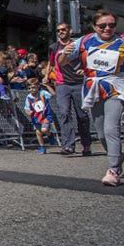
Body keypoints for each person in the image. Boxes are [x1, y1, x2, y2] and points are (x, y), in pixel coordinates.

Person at [59, 9, 124, 186]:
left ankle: (113, 170)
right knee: (101, 133)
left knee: (111, 127)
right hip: (94, 89)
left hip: (117, 87)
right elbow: (62, 62)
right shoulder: (84, 41)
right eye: (102, 25)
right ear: (94, 26)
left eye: (111, 25)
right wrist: (64, 53)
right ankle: (117, 156)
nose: (107, 28)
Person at [49, 22, 92, 157]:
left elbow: (88, 60)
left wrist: (85, 70)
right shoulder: (54, 47)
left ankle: (86, 144)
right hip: (62, 84)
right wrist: (47, 76)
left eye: (63, 29)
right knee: (64, 113)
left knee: (82, 115)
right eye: (58, 30)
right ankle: (68, 145)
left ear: (70, 31)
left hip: (79, 83)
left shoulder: (79, 45)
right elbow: (51, 63)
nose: (60, 32)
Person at [23, 77, 55, 154]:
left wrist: (47, 86)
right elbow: (26, 108)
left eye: (33, 87)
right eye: (29, 88)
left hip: (46, 116)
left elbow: (53, 94)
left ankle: (50, 135)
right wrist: (28, 112)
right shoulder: (28, 97)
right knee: (38, 132)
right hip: (36, 117)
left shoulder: (42, 93)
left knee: (44, 130)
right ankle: (42, 147)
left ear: (38, 86)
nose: (32, 90)